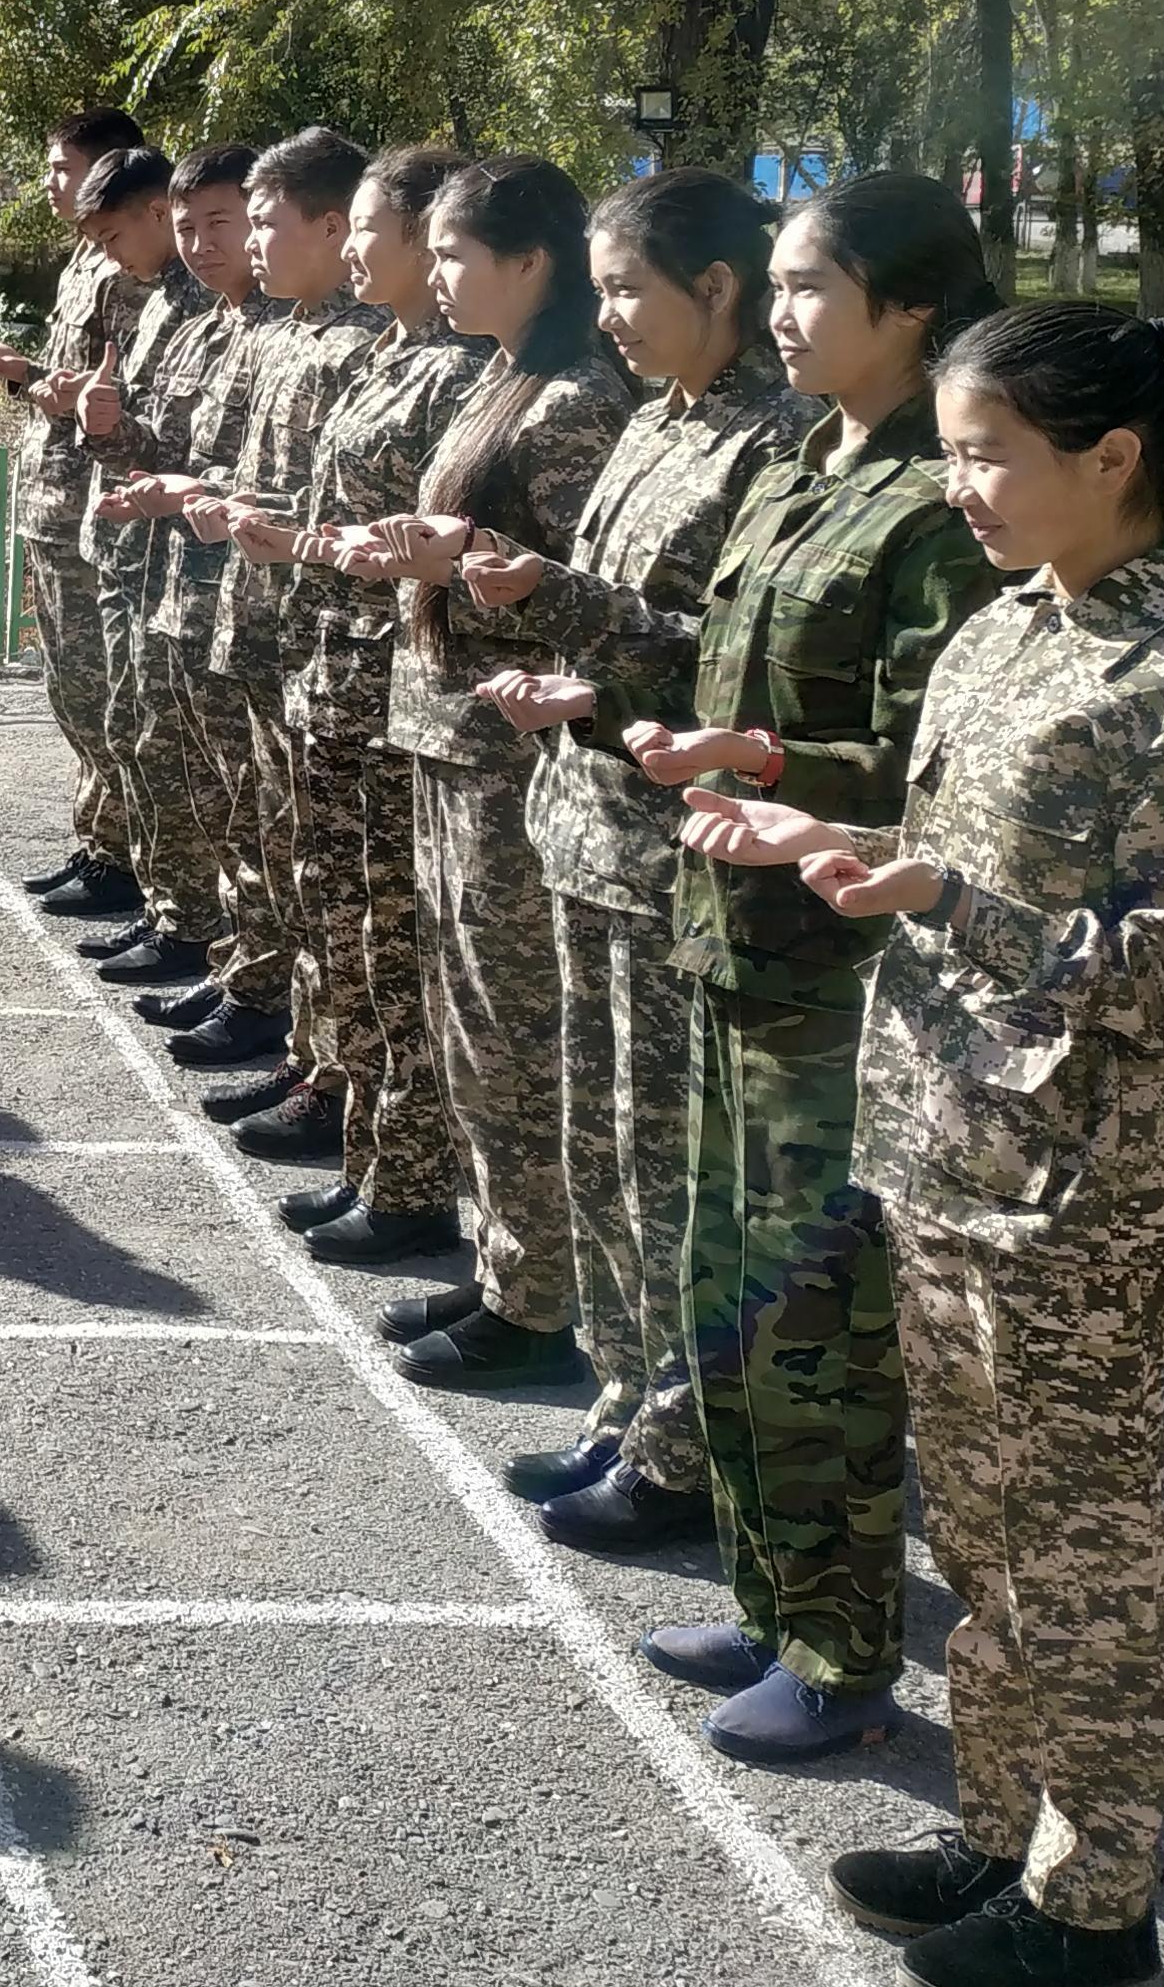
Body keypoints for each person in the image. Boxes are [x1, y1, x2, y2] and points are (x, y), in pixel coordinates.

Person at [691, 304, 1164, 1987]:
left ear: (1112, 460)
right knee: (978, 1539)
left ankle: (1095, 1907)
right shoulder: (1013, 630)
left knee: (1083, 1557)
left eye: (985, 457)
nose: (957, 487)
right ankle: (996, 1835)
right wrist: (838, 834)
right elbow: (960, 839)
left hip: (1078, 1204)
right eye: (952, 451)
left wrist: (948, 897)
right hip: (944, 1153)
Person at [618, 170, 1006, 1763]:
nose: (778, 315)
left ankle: (844, 1648)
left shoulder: (947, 505)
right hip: (733, 939)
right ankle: (770, 1595)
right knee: (726, 1287)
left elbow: (936, 759)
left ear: (909, 312)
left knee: (815, 1317)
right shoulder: (800, 465)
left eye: (808, 288)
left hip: (837, 973)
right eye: (771, 285)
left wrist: (768, 757)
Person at [450, 167, 810, 1553]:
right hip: (587, 824)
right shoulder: (661, 422)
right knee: (598, 1146)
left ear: (716, 288)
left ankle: (683, 1449)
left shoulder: (769, 447)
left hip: (673, 850)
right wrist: (564, 659)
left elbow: (721, 656)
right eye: (598, 289)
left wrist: (560, 610)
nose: (610, 319)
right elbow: (629, 631)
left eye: (628, 291)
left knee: (667, 1171)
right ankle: (622, 1399)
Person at [346, 155, 632, 1394]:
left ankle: (536, 1299)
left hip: (510, 751)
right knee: (466, 1018)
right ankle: (498, 1254)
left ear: (532, 264)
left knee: (515, 1031)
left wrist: (470, 563)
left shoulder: (573, 400)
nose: (439, 270)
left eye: (459, 252)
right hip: (451, 733)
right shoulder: (504, 377)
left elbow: (586, 595)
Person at [261, 144, 490, 1259]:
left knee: (390, 942)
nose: (355, 248)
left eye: (368, 228)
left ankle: (406, 1179)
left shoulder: (460, 378)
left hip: (397, 688)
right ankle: (365, 1144)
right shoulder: (395, 360)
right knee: (345, 918)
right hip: (341, 671)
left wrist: (353, 551)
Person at [170, 127, 389, 1135]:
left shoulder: (359, 350)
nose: (249, 245)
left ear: (335, 228)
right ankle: (301, 1041)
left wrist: (257, 523)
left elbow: (338, 509)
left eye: (263, 223)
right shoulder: (292, 335)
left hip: (317, 636)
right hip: (264, 626)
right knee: (273, 839)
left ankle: (327, 1067)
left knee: (326, 872)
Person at [0, 106, 155, 917]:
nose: (51, 185)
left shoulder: (130, 269)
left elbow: (122, 390)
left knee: (102, 689)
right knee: (73, 688)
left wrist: (49, 384)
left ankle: (123, 855)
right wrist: (26, 375)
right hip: (55, 499)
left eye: (61, 169)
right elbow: (72, 380)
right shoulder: (86, 260)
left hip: (100, 497)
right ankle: (98, 839)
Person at [84, 144, 257, 959]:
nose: (200, 243)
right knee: (160, 748)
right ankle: (182, 920)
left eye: (219, 222)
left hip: (242, 601)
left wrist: (188, 488)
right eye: (190, 227)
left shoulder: (277, 332)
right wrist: (108, 429)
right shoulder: (199, 322)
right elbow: (171, 447)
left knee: (238, 798)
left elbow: (264, 480)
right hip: (170, 579)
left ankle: (212, 943)